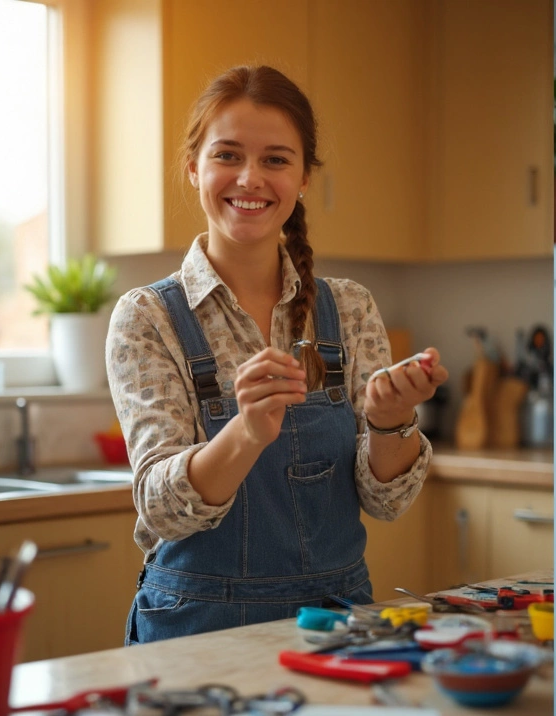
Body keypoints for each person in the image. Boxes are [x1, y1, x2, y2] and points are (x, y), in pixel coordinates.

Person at [107, 66, 448, 644]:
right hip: (197, 631)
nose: (250, 178)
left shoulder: (351, 308)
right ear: (194, 167)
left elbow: (385, 500)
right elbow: (160, 510)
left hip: (335, 620)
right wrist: (245, 433)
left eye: (276, 159)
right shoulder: (147, 318)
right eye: (228, 155)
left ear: (305, 178)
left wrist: (393, 423)